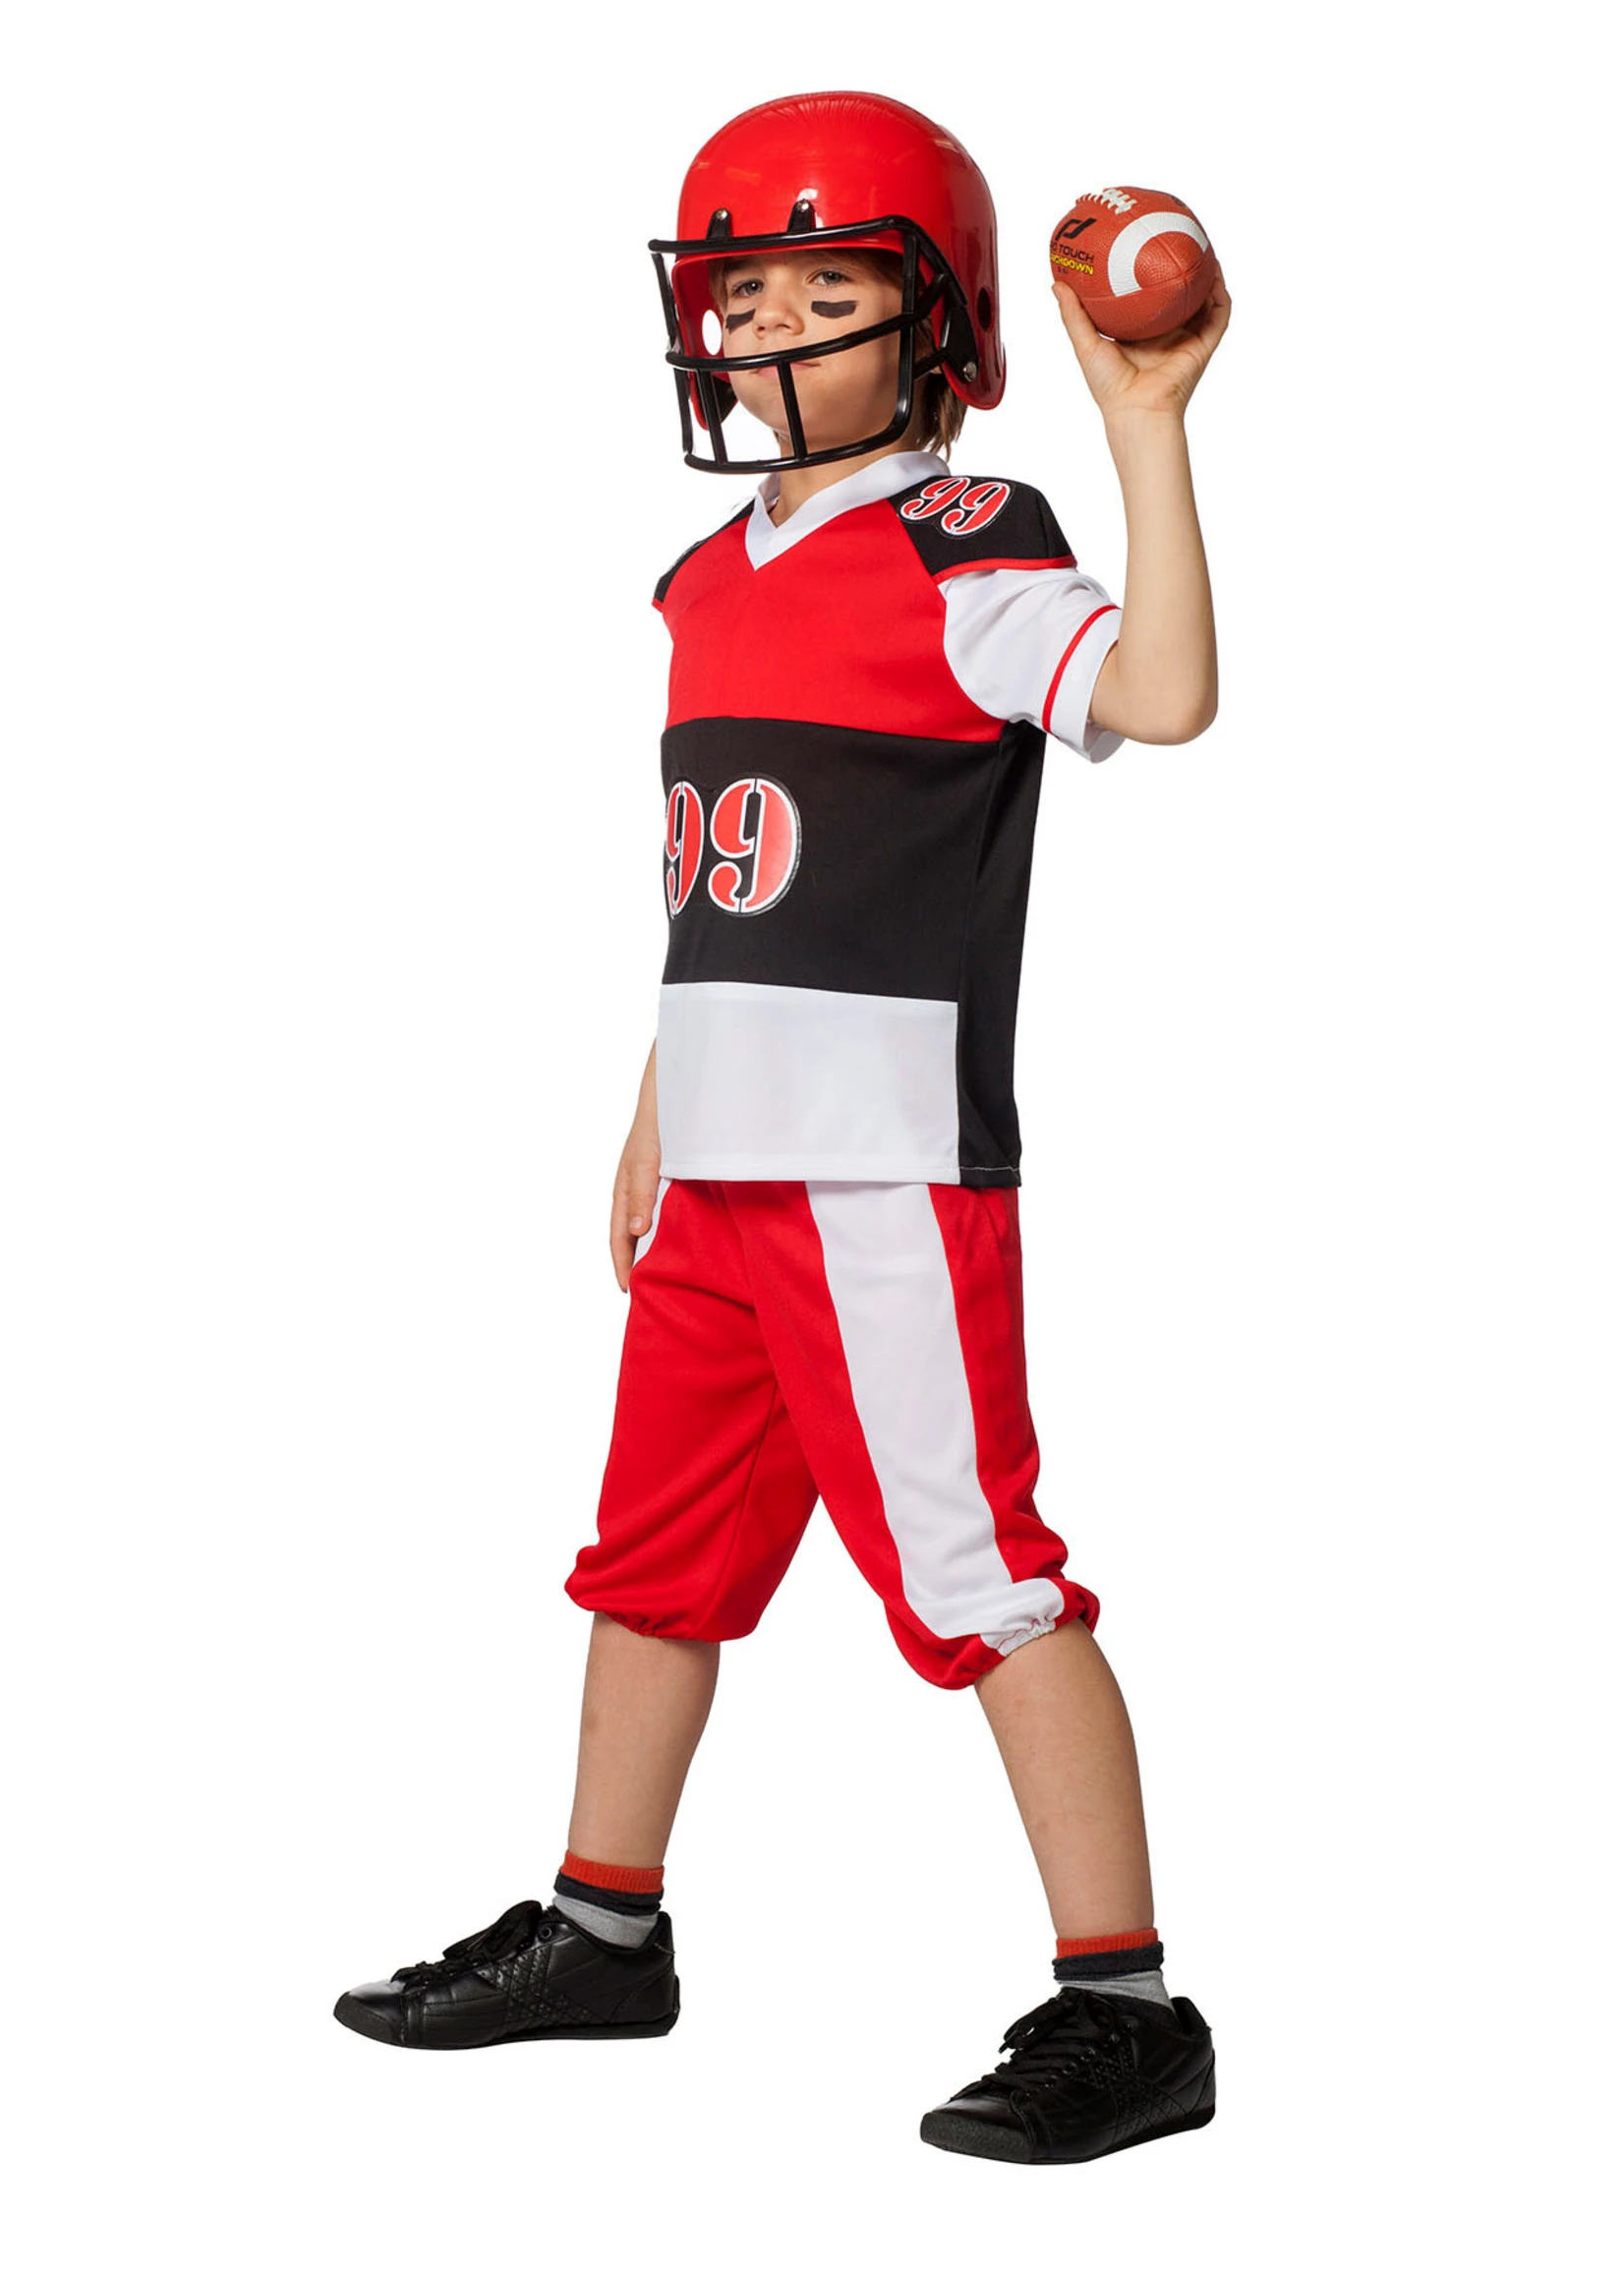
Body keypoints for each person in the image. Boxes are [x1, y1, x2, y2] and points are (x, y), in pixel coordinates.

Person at [334, 89, 1229, 2169]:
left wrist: (1147, 430)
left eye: (828, 291)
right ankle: (601, 1927)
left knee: (983, 1576)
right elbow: (720, 885)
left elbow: (1165, 694)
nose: (767, 329)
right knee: (648, 1562)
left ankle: (1129, 2006)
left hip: (876, 1167)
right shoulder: (704, 576)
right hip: (728, 1165)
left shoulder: (966, 541)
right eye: (744, 294)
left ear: (933, 328)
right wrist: (657, 1101)